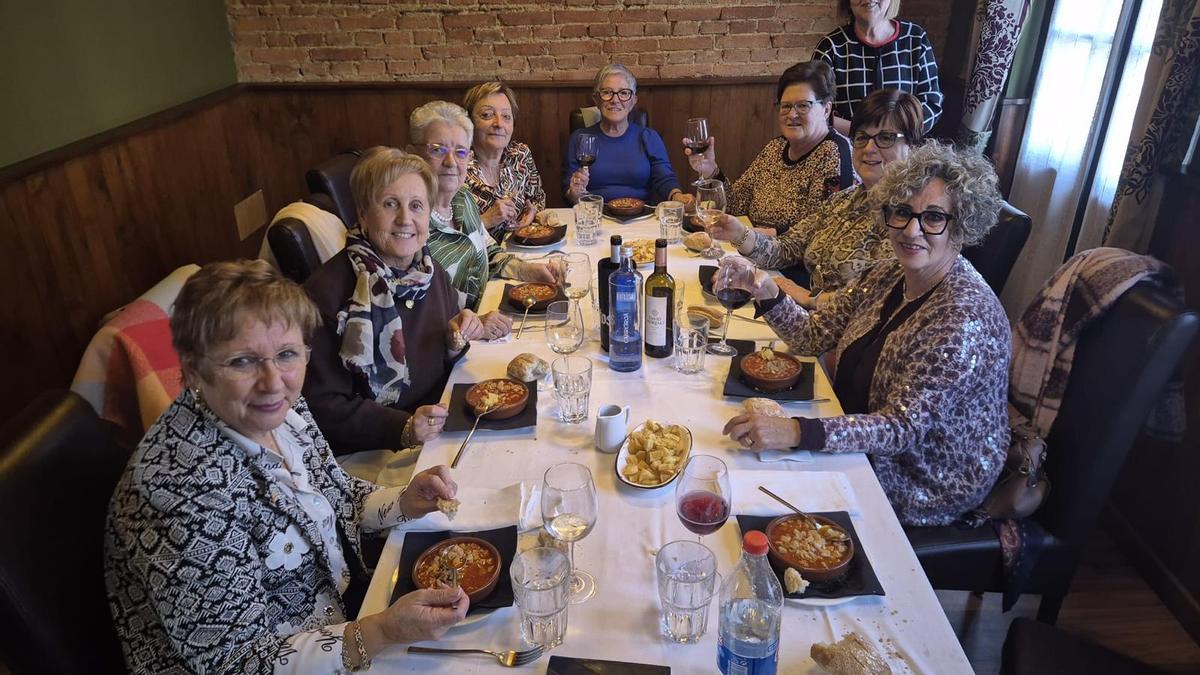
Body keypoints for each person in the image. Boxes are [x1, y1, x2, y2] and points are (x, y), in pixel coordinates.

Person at [105, 260, 469, 673]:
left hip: (341, 620)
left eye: (287, 354)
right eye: (242, 361)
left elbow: (339, 497)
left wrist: (405, 501)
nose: (273, 381)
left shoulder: (282, 411)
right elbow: (235, 663)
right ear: (193, 369)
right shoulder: (179, 489)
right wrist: (382, 632)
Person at [719, 141, 1009, 526]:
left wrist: (794, 431)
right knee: (734, 469)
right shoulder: (890, 273)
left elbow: (900, 428)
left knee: (748, 493)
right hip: (856, 430)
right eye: (902, 212)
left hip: (918, 476)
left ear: (963, 225)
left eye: (934, 217)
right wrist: (767, 292)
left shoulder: (963, 318)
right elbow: (813, 336)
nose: (912, 230)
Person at [303, 147, 512, 455]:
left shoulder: (427, 269)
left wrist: (456, 340)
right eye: (390, 204)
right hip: (376, 453)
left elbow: (439, 350)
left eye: (416, 206)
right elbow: (323, 409)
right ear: (362, 213)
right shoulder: (326, 296)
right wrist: (402, 427)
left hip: (441, 421)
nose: (405, 219)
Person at [705, 89, 923, 308]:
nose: (868, 148)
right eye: (862, 137)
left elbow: (884, 300)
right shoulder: (844, 200)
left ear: (912, 147)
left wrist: (811, 298)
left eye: (885, 138)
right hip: (807, 322)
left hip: (847, 335)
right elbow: (787, 248)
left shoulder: (912, 220)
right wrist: (739, 233)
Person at [408, 102, 559, 311]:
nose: (451, 162)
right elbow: (413, 311)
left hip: (489, 311)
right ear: (413, 155)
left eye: (460, 152)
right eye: (438, 150)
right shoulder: (407, 223)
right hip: (456, 335)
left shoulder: (462, 199)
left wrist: (528, 271)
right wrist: (468, 326)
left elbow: (489, 251)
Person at [685, 60, 855, 237]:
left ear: (826, 110)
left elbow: (818, 233)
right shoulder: (776, 147)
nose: (792, 114)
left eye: (803, 105)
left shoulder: (834, 155)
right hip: (749, 248)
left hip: (787, 261)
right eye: (786, 106)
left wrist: (753, 236)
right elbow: (736, 204)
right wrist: (710, 170)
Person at [563, 63, 691, 207]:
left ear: (633, 101)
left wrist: (678, 196)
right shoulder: (579, 138)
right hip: (594, 215)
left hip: (640, 217)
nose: (615, 99)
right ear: (596, 100)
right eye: (607, 92)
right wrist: (574, 193)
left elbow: (664, 178)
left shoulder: (649, 137)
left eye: (624, 93)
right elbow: (569, 190)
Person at [812, 0, 943, 135]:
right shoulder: (830, 47)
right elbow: (815, 110)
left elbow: (931, 102)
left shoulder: (915, 38)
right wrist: (866, 137)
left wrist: (894, 137)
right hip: (848, 146)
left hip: (902, 146)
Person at [462, 81, 546, 240]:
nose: (499, 124)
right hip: (479, 261)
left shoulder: (520, 154)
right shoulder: (456, 165)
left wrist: (532, 212)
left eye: (506, 116)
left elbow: (538, 198)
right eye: (487, 115)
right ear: (470, 123)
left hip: (521, 249)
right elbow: (443, 237)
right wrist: (485, 221)